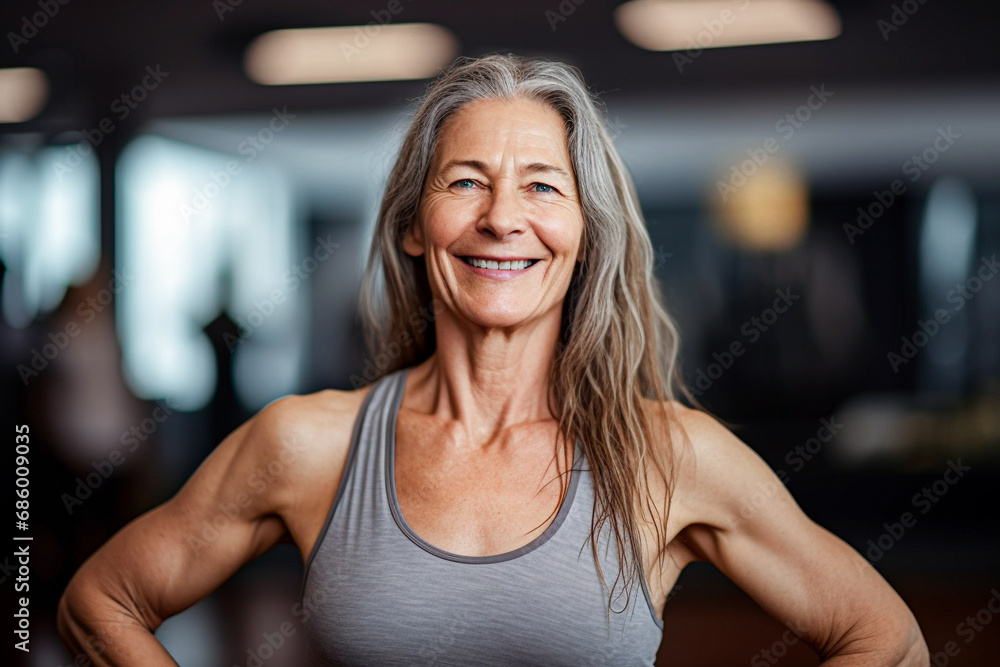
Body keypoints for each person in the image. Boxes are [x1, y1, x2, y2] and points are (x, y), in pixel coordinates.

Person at [58, 54, 929, 666]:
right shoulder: (307, 444)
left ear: (584, 239)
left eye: (543, 186)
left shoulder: (670, 455)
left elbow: (886, 639)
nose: (502, 218)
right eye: (466, 180)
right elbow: (97, 601)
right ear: (412, 224)